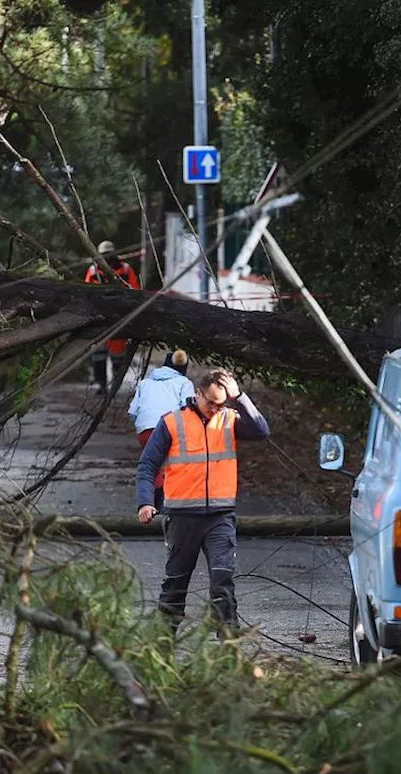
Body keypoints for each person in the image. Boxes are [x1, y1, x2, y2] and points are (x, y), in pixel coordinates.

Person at [136, 369, 270, 636]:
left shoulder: (229, 419)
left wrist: (240, 397)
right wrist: (145, 502)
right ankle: (162, 644)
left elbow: (261, 430)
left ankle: (228, 645)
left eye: (220, 403)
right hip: (182, 517)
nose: (214, 408)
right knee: (175, 584)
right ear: (197, 394)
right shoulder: (172, 423)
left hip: (220, 518)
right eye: (210, 402)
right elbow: (147, 464)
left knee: (222, 582)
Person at [128, 349, 194, 510]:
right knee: (171, 467)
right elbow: (188, 409)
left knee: (152, 467)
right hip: (171, 428)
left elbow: (132, 411)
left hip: (145, 430)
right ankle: (168, 505)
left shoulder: (145, 383)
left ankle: (150, 505)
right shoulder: (184, 383)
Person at [84, 240, 139, 394]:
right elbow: (87, 292)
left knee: (117, 356)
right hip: (99, 319)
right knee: (98, 355)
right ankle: (101, 385)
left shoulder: (126, 269)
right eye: (104, 255)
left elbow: (135, 291)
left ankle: (115, 384)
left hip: (119, 318)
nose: (107, 258)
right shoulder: (93, 270)